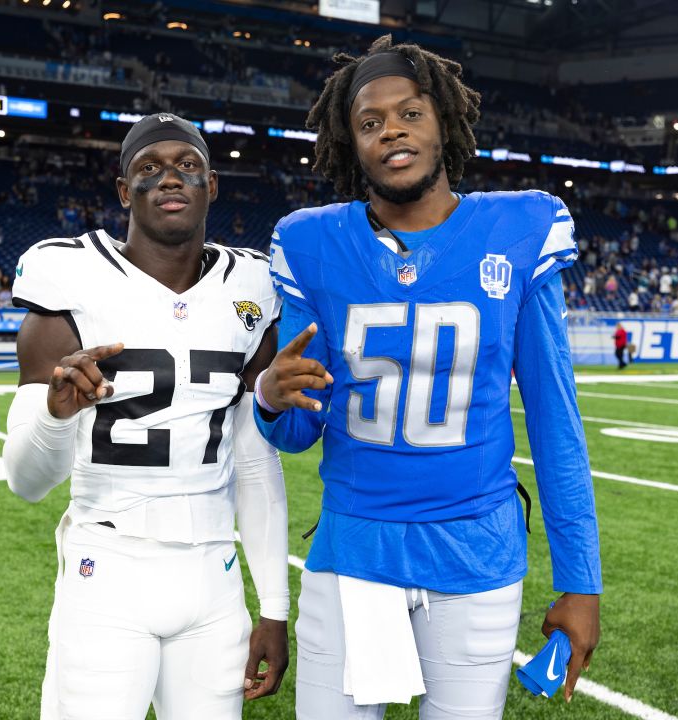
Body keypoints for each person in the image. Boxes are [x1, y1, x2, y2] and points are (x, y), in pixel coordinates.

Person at [255, 36, 602, 719]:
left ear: (442, 119)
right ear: (349, 142)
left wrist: (580, 581)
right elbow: (298, 433)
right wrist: (271, 396)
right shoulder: (310, 242)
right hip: (356, 551)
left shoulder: (519, 226)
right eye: (370, 121)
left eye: (409, 113)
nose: (392, 130)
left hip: (475, 554)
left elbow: (556, 421)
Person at [1, 113, 290, 720]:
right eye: (149, 168)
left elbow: (254, 460)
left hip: (214, 576)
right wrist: (56, 416)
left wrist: (274, 606)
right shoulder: (69, 276)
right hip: (106, 567)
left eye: (188, 165)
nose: (170, 179)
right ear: (122, 189)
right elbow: (26, 483)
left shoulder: (254, 286)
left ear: (212, 184)